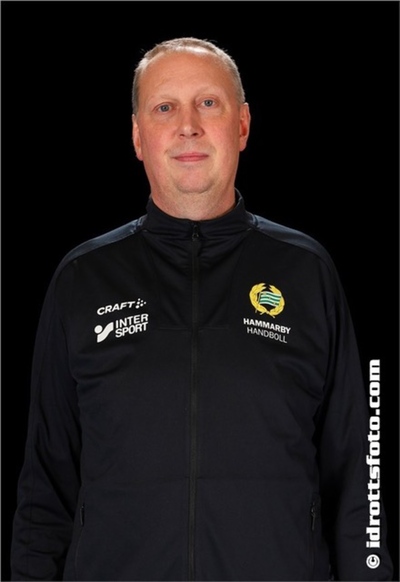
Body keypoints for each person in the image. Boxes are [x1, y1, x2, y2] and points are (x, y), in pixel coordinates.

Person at [10, 36, 393, 581]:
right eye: (165, 108)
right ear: (138, 136)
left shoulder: (307, 272)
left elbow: (361, 473)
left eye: (208, 103)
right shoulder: (82, 279)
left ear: (242, 125)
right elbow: (43, 485)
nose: (187, 126)